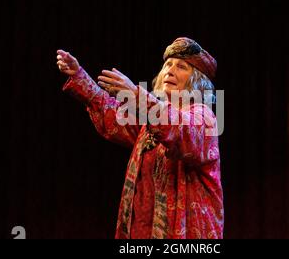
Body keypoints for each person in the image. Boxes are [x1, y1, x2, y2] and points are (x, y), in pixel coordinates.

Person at [56, 37, 223, 239]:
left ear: (197, 81)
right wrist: (80, 77)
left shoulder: (204, 117)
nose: (170, 70)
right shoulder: (149, 122)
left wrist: (136, 96)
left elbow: (181, 131)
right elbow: (115, 117)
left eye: (182, 67)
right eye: (168, 64)